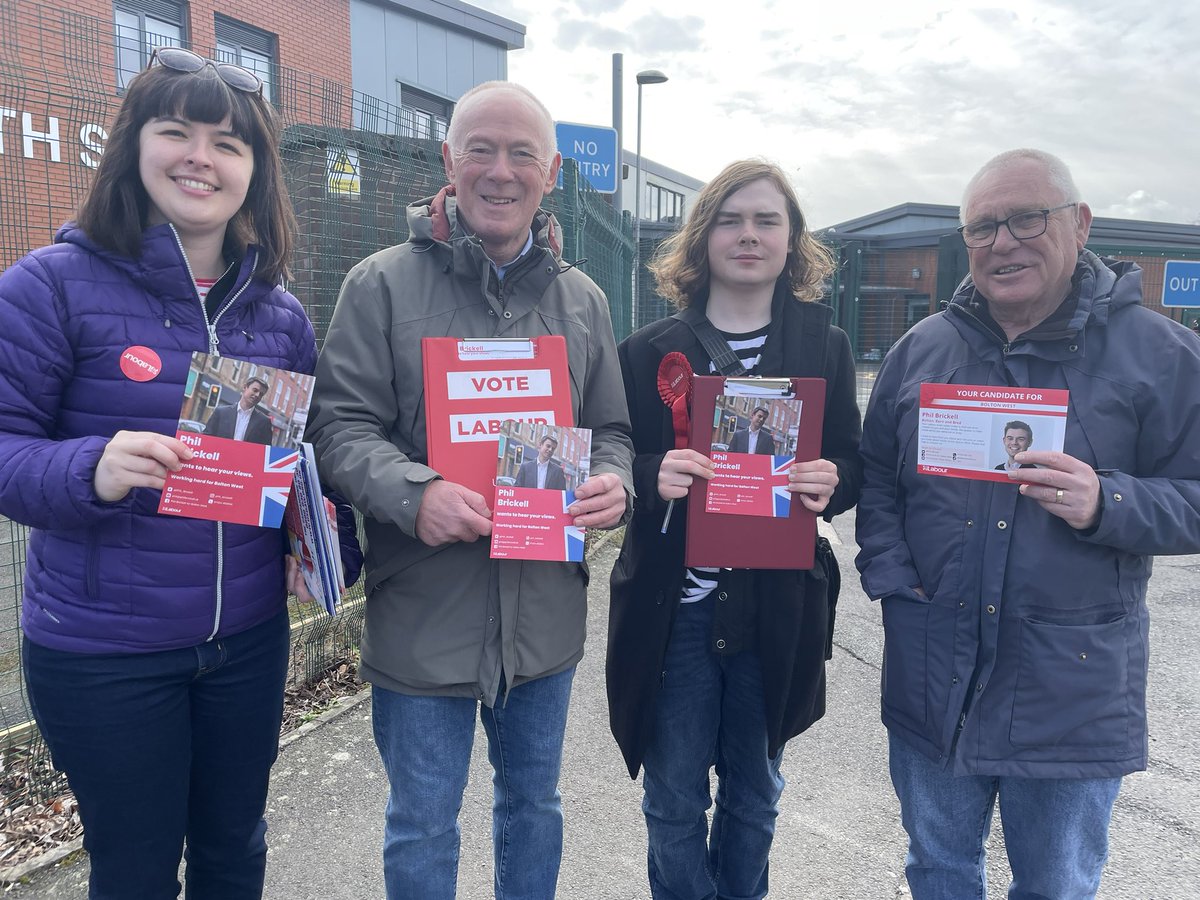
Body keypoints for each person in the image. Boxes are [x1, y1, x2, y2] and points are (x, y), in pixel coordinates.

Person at [0, 49, 361, 899]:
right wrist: (92, 466)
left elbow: (299, 467)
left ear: (254, 172)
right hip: (105, 654)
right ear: (134, 146)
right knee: (134, 867)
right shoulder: (49, 287)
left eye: (228, 143)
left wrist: (323, 533)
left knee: (235, 851)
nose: (202, 156)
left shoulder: (277, 314)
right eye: (177, 131)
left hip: (246, 642)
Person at [305, 80, 634, 899]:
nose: (500, 170)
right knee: (421, 821)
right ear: (447, 160)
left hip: (543, 617)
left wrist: (613, 484)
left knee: (534, 807)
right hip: (424, 613)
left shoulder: (584, 301)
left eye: (522, 152)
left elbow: (615, 432)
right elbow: (338, 430)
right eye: (480, 149)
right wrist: (417, 494)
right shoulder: (379, 286)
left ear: (550, 171)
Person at [855, 148, 1200, 899]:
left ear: (1079, 224)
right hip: (933, 671)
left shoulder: (1162, 356)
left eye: (1025, 219)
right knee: (939, 870)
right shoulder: (925, 350)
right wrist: (888, 575)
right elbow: (878, 474)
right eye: (982, 227)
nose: (1002, 242)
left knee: (1055, 885)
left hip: (1069, 689)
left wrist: (1110, 503)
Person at [607, 159, 863, 899]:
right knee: (673, 800)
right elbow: (616, 454)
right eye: (730, 219)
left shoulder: (826, 344)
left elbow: (853, 461)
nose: (748, 235)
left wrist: (833, 481)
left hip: (776, 611)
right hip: (675, 614)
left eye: (766, 220)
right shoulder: (651, 349)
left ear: (792, 241)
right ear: (703, 236)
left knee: (756, 798)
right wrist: (651, 472)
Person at [205, 374, 274, 443]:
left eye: (261, 394)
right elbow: (206, 438)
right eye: (255, 390)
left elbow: (266, 449)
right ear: (245, 387)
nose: (257, 395)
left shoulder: (264, 422)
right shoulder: (221, 412)